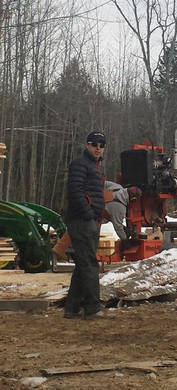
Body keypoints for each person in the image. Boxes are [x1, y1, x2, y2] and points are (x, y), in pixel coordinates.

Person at [64, 131, 106, 321]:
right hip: (81, 220)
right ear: (87, 145)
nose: (98, 148)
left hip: (89, 220)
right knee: (89, 264)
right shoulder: (80, 164)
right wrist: (89, 214)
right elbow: (75, 191)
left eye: (102, 145)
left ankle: (72, 308)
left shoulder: (94, 166)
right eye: (94, 144)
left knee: (83, 264)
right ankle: (93, 308)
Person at [102, 182, 142, 249]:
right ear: (133, 199)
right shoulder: (120, 208)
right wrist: (124, 240)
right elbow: (118, 227)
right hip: (91, 220)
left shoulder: (117, 187)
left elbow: (103, 183)